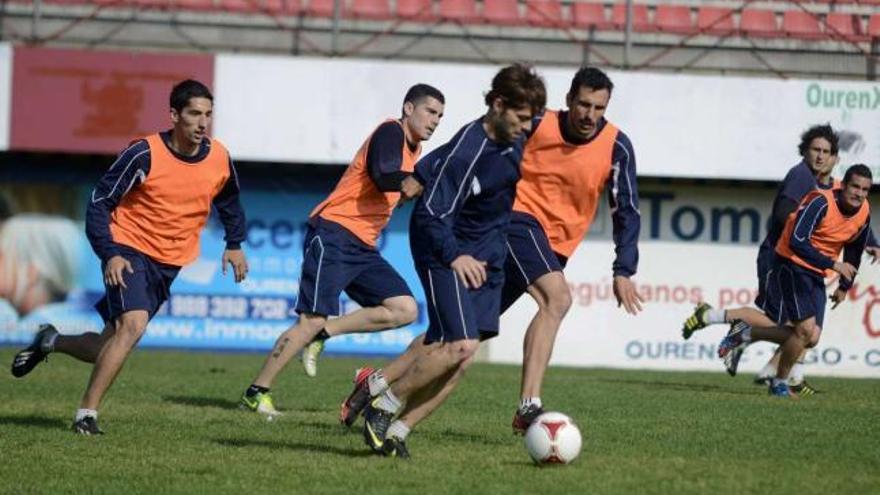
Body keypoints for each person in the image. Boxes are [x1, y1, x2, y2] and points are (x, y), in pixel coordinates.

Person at [338, 66, 642, 435]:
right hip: (516, 224)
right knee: (557, 299)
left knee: (456, 338)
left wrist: (624, 268)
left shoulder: (616, 146)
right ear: (569, 101)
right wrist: (422, 174)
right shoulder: (534, 121)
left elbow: (626, 209)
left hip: (549, 248)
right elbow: (465, 146)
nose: (589, 115)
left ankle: (375, 384)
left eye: (598, 108)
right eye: (583, 105)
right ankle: (529, 406)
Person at [9, 79, 249, 435]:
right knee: (133, 326)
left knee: (106, 345)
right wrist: (110, 254)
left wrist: (235, 243)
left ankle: (50, 340)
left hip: (170, 262)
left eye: (208, 115)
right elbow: (98, 204)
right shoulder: (144, 154)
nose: (202, 123)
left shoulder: (218, 157)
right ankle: (86, 415)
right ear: (173, 115)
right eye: (194, 114)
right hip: (129, 249)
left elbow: (229, 202)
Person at [359, 63, 547, 458]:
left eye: (532, 119)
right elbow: (430, 216)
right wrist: (455, 254)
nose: (527, 127)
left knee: (461, 361)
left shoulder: (515, 133)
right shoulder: (470, 151)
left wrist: (422, 172)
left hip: (487, 255)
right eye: (521, 117)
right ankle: (383, 402)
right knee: (458, 345)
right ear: (498, 104)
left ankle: (398, 431)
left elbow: (437, 158)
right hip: (442, 247)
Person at [238, 84, 445, 416]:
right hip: (334, 232)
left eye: (440, 116)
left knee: (404, 309)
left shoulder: (414, 152)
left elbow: (397, 185)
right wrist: (421, 184)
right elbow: (382, 175)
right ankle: (256, 391)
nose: (435, 121)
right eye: (430, 111)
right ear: (408, 108)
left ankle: (324, 334)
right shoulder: (391, 131)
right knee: (309, 318)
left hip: (362, 245)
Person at [681, 125, 877, 393]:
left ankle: (779, 367)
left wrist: (868, 247)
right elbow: (786, 215)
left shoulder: (831, 187)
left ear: (835, 157)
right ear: (806, 151)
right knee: (788, 324)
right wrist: (808, 238)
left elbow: (853, 225)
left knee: (807, 333)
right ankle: (775, 370)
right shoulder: (802, 177)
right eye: (816, 150)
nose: (821, 156)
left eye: (826, 152)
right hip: (783, 257)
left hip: (810, 263)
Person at [716, 164, 872, 397]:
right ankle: (779, 382)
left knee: (812, 337)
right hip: (790, 263)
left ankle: (745, 334)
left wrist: (844, 286)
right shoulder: (820, 202)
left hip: (816, 272)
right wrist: (833, 264)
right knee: (805, 329)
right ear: (843, 186)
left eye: (865, 189)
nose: (859, 193)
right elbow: (798, 242)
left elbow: (854, 250)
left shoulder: (863, 212)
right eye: (855, 186)